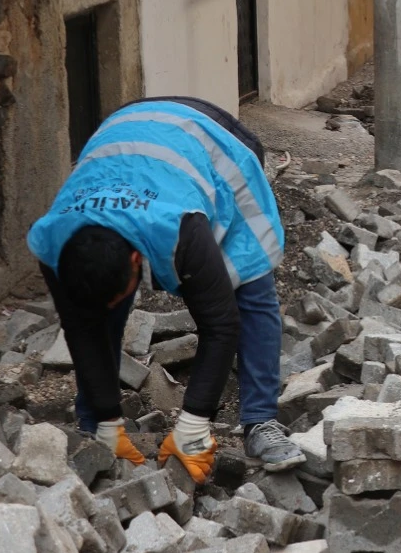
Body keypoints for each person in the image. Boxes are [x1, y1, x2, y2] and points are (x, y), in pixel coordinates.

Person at [27, 97, 304, 484]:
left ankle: (260, 421)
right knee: (95, 310)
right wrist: (109, 420)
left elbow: (221, 325)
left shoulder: (182, 231)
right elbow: (80, 326)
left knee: (248, 286)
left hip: (215, 141)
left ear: (138, 260)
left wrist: (193, 424)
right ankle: (97, 425)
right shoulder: (53, 242)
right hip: (125, 131)